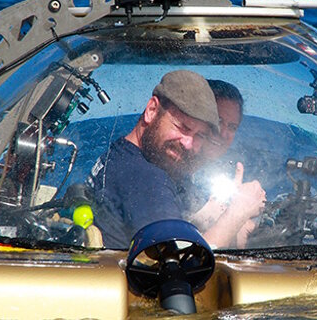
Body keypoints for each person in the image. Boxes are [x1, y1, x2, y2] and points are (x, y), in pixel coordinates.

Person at [83, 70, 264, 249]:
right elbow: (182, 264)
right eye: (182, 127)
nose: (188, 143)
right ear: (152, 110)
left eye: (200, 135)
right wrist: (238, 212)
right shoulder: (146, 179)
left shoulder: (124, 155)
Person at [185, 79, 262, 248]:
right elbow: (185, 260)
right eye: (218, 121)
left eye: (232, 127)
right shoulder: (168, 173)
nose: (224, 133)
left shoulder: (194, 179)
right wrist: (238, 212)